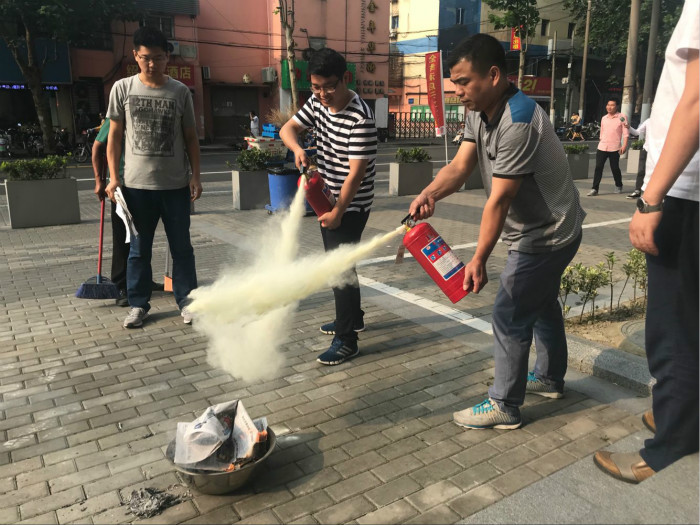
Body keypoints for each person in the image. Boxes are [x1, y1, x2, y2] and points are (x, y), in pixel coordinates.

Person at [409, 33, 585, 430]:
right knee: (540, 302)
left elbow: (500, 200)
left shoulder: (518, 121)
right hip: (550, 226)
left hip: (548, 232)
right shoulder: (479, 109)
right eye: (454, 83)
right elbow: (460, 167)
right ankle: (549, 378)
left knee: (509, 312)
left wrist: (478, 259)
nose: (457, 91)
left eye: (463, 82)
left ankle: (504, 404)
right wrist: (429, 193)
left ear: (492, 75)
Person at [593, 0, 698, 484]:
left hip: (686, 191)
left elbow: (695, 100)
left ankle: (669, 444)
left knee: (673, 326)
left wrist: (652, 199)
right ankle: (682, 415)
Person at [279, 47, 376, 366]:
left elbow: (356, 175)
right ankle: (353, 318)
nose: (322, 94)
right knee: (342, 264)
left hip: (352, 203)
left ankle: (347, 340)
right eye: (316, 87)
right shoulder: (317, 103)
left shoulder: (360, 118)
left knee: (338, 268)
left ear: (345, 78)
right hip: (327, 195)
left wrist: (338, 212)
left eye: (329, 87)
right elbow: (287, 129)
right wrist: (297, 149)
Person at [105, 26, 202, 328]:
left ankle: (188, 302)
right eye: (145, 57)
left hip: (175, 186)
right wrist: (113, 177)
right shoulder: (122, 88)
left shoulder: (180, 91)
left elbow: (191, 137)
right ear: (135, 55)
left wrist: (196, 176)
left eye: (158, 58)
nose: (152, 64)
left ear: (167, 57)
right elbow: (114, 137)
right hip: (136, 188)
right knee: (138, 251)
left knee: (182, 248)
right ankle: (138, 304)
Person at [92, 117, 163, 307]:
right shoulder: (117, 116)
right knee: (123, 237)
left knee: (142, 237)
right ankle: (121, 285)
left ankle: (142, 280)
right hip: (122, 187)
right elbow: (97, 147)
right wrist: (99, 181)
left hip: (146, 185)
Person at [588, 98, 629, 196]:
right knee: (598, 167)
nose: (609, 107)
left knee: (614, 168)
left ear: (617, 106)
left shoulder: (622, 117)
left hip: (615, 147)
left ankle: (618, 185)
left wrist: (624, 145)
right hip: (602, 146)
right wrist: (601, 140)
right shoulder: (604, 118)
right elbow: (602, 131)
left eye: (612, 105)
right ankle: (595, 189)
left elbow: (625, 133)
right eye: (608, 105)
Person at [625, 118, 650, 199]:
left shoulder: (665, 121)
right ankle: (637, 191)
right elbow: (636, 132)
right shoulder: (648, 121)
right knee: (641, 171)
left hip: (659, 151)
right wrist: (629, 127)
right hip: (646, 149)